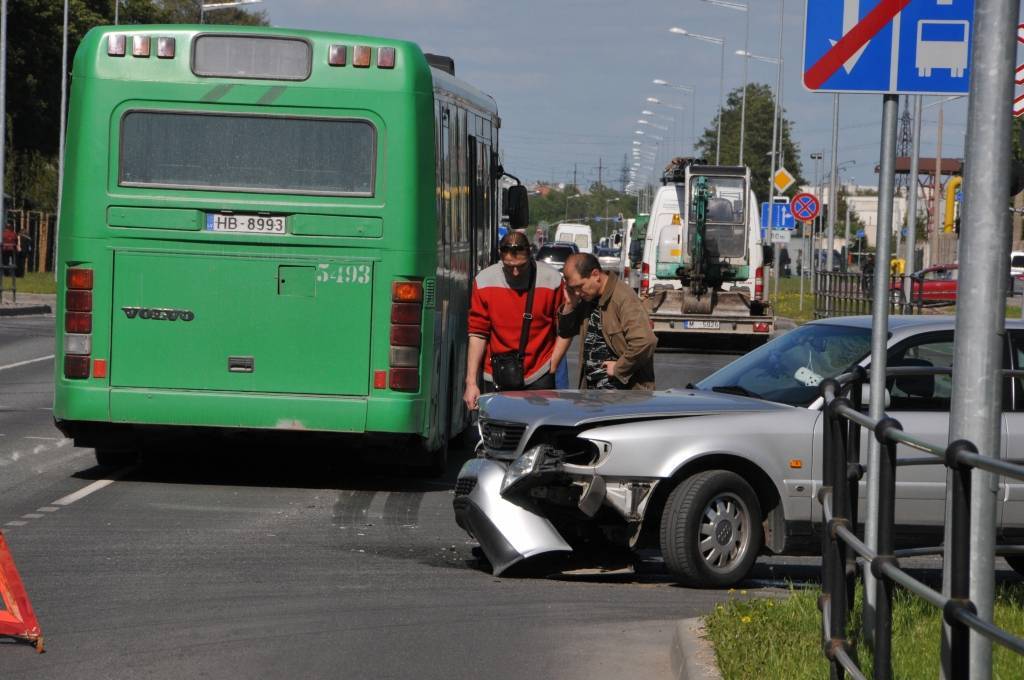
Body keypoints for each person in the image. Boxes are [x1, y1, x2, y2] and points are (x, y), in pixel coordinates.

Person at [463, 231, 570, 410]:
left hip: (540, 373)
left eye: (521, 266)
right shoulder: (484, 281)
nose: (514, 271)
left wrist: (553, 366)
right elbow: (478, 333)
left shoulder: (551, 280)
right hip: (496, 373)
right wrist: (471, 382)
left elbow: (565, 330)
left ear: (530, 256)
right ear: (500, 258)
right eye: (508, 266)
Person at [558, 252, 657, 390]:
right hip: (592, 397)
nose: (577, 293)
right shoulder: (588, 298)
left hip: (623, 398)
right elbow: (565, 332)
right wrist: (570, 305)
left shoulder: (623, 297)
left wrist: (619, 368)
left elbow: (645, 341)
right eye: (573, 288)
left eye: (580, 286)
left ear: (595, 275)